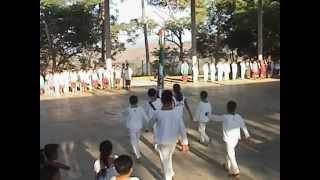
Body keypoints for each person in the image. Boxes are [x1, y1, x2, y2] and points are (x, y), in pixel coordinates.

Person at [149, 90, 188, 180]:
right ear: (172, 100)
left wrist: (154, 129)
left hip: (161, 141)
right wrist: (185, 142)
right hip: (172, 142)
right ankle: (171, 173)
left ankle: (168, 177)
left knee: (164, 161)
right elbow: (182, 129)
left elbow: (150, 124)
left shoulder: (158, 113)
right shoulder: (177, 114)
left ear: (162, 101)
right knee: (167, 158)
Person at [209, 101, 254, 179]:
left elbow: (215, 118)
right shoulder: (239, 117)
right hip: (236, 139)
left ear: (227, 108)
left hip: (229, 140)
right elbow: (243, 126)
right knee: (230, 153)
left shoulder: (225, 117)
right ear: (235, 108)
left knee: (231, 154)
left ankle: (236, 171)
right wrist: (248, 136)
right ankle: (227, 165)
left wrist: (208, 115)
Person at [122, 96, 149, 160]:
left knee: (133, 141)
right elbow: (146, 117)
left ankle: (138, 155)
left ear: (129, 102)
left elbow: (123, 114)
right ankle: (137, 152)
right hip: (139, 127)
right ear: (137, 101)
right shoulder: (141, 108)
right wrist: (149, 124)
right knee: (136, 140)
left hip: (132, 128)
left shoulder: (128, 109)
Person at [172, 84, 192, 151]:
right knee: (181, 130)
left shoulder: (173, 98)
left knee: (178, 131)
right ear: (180, 89)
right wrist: (190, 115)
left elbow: (170, 108)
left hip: (174, 118)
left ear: (173, 90)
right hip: (180, 117)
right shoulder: (183, 97)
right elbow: (187, 107)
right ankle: (184, 144)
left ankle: (184, 145)